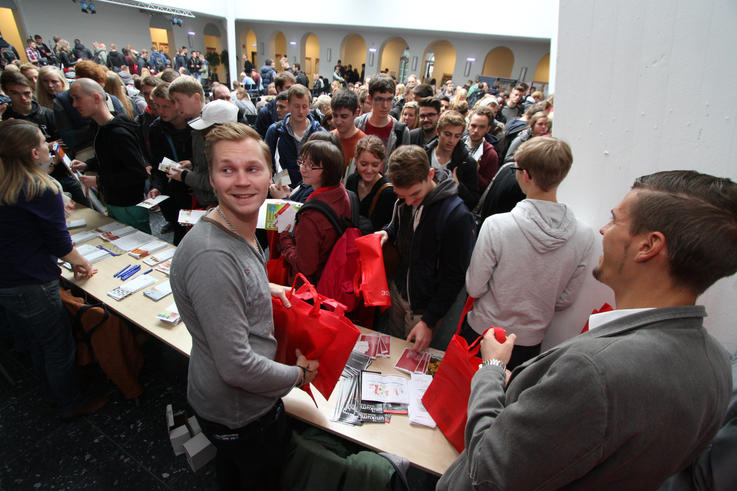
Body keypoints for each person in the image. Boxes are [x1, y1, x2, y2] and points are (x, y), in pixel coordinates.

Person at [438, 169, 737, 490]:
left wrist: (492, 369)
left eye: (616, 220)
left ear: (648, 245)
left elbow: (487, 468)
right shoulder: (717, 366)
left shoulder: (593, 369)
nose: (604, 230)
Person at [170, 122, 319, 490]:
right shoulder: (212, 257)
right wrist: (297, 376)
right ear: (213, 178)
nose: (241, 181)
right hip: (241, 411)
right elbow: (237, 367)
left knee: (234, 474)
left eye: (252, 169)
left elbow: (237, 275)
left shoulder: (232, 224)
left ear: (270, 174)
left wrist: (266, 287)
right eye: (227, 170)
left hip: (227, 403)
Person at [0, 119, 107, 420]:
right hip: (33, 281)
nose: (50, 146)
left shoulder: (7, 184)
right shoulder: (40, 188)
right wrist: (82, 263)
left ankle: (50, 392)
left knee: (36, 342)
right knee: (58, 346)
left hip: (7, 282)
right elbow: (60, 242)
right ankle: (70, 402)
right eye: (44, 142)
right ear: (33, 153)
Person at [462, 137, 594, 368]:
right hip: (529, 342)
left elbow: (475, 286)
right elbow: (564, 300)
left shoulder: (497, 225)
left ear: (527, 176)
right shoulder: (584, 235)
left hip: (484, 334)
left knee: (462, 397)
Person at [377, 145, 476, 352]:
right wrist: (388, 232)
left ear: (430, 174)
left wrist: (429, 321)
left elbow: (454, 276)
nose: (410, 202)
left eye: (415, 195)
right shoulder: (405, 198)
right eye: (403, 196)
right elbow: (399, 225)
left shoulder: (457, 216)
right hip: (400, 292)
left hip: (424, 308)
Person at [69, 78, 150, 232]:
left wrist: (99, 180)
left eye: (77, 98)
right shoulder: (102, 127)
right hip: (114, 199)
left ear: (96, 97)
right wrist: (89, 164)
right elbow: (111, 158)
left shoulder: (118, 133)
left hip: (128, 203)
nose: (74, 104)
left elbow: (137, 173)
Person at [278, 139, 351, 284]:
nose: (303, 169)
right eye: (303, 162)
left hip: (311, 288)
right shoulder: (340, 191)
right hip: (333, 273)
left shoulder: (311, 216)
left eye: (312, 166)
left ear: (328, 171)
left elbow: (305, 267)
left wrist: (284, 236)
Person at [147, 83, 193, 244]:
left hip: (196, 189)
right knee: (180, 237)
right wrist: (156, 187)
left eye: (165, 106)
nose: (161, 111)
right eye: (157, 106)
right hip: (175, 192)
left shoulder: (195, 125)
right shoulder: (156, 129)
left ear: (177, 104)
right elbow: (157, 164)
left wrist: (192, 165)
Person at [265, 84, 324, 187]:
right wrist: (283, 186)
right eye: (296, 106)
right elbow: (270, 163)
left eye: (304, 106)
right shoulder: (275, 131)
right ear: (288, 105)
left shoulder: (320, 133)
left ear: (310, 106)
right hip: (283, 188)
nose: (300, 111)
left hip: (311, 190)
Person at [425, 110, 480, 210]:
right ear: (438, 131)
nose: (451, 140)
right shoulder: (424, 154)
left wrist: (458, 185)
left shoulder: (468, 163)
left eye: (457, 136)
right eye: (447, 134)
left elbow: (472, 202)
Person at [345, 135, 397, 232]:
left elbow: (390, 226)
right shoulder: (352, 180)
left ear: (382, 163)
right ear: (356, 161)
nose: (369, 170)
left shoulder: (388, 192)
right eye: (364, 164)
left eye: (375, 165)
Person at [354, 73, 410, 163]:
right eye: (379, 99)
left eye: (389, 99)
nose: (385, 105)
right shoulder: (357, 124)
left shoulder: (401, 131)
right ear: (370, 98)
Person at [330, 88, 366, 176]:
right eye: (335, 115)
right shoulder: (328, 138)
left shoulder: (364, 143)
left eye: (344, 116)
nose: (338, 121)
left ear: (356, 113)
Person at [464, 105, 500, 190]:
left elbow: (486, 186)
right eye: (473, 126)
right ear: (468, 125)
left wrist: (474, 172)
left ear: (488, 129)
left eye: (482, 127)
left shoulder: (491, 155)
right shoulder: (457, 142)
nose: (476, 131)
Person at [256, 71, 296, 137]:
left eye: (293, 88)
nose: (292, 91)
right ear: (279, 89)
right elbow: (259, 138)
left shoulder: (297, 109)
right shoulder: (265, 112)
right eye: (288, 88)